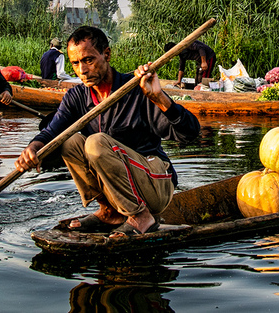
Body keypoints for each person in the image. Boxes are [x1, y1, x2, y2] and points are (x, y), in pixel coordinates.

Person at [17, 25, 201, 238]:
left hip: (155, 183)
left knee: (95, 142)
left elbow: (190, 134)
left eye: (88, 60)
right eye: (75, 63)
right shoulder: (77, 97)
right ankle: (109, 211)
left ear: (107, 54)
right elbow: (52, 132)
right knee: (68, 142)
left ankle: (141, 216)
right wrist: (33, 148)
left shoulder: (137, 90)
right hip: (118, 190)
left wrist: (158, 97)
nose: (82, 71)